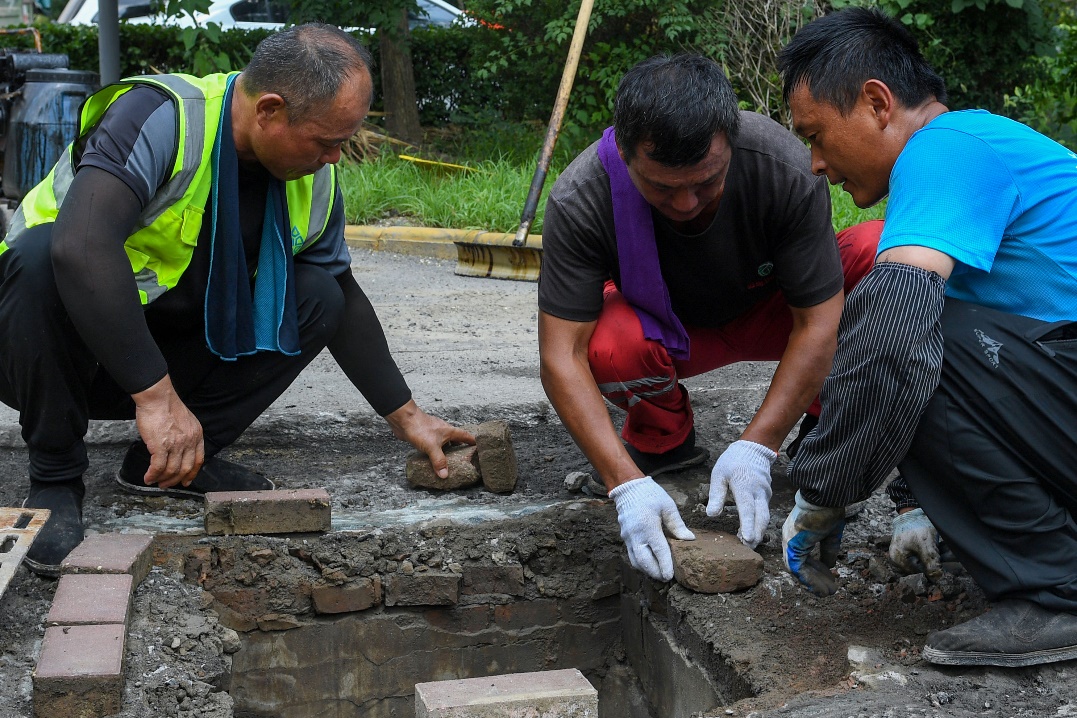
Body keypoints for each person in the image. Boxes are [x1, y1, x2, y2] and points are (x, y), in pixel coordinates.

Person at [1, 23, 473, 576]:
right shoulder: (160, 117)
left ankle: (172, 462)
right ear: (269, 110)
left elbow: (339, 289)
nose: (336, 157)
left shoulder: (312, 175)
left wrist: (408, 416)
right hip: (52, 353)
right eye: (326, 141)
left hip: (164, 355)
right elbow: (80, 248)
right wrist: (155, 399)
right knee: (39, 255)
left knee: (318, 294)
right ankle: (55, 480)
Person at [777, 7, 1077, 667]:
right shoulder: (971, 151)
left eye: (817, 135)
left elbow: (892, 342)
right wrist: (912, 499)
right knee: (916, 326)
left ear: (877, 103)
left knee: (904, 328)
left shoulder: (949, 147)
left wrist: (823, 490)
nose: (816, 163)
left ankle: (1057, 591)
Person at [537, 53, 881, 582]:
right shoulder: (582, 197)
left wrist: (757, 445)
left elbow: (817, 323)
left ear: (730, 139)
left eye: (707, 181)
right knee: (608, 342)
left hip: (773, 312)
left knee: (881, 255)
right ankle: (663, 443)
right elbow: (562, 355)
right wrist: (621, 483)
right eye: (662, 188)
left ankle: (825, 436)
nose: (687, 203)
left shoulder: (783, 167)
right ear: (625, 156)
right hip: (668, 328)